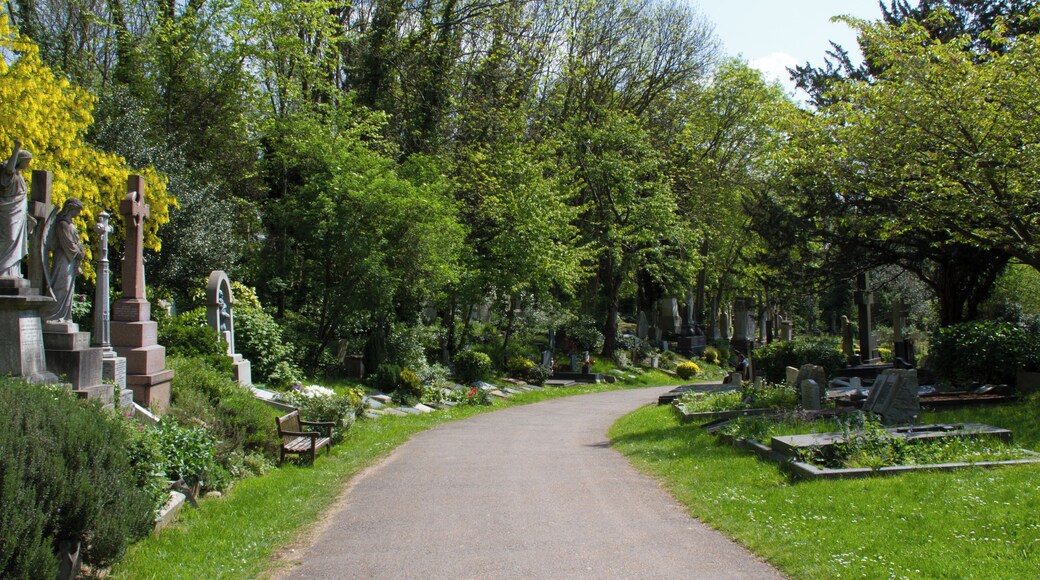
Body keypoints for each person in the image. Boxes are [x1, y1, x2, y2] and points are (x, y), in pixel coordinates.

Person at [41, 198, 85, 322]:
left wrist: (80, 249)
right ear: (71, 208)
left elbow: (76, 242)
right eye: (77, 210)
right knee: (62, 286)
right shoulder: (62, 224)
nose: (78, 214)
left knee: (69, 289)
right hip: (63, 259)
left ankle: (63, 317)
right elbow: (68, 244)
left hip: (71, 261)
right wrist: (79, 251)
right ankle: (51, 315)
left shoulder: (71, 224)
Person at [0, 140, 32, 277]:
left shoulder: (20, 177)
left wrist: (27, 216)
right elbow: (8, 169)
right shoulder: (9, 173)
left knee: (16, 240)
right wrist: (16, 149)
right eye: (26, 161)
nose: (28, 164)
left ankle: (11, 271)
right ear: (19, 160)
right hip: (8, 211)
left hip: (19, 213)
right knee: (10, 237)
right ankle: (2, 269)